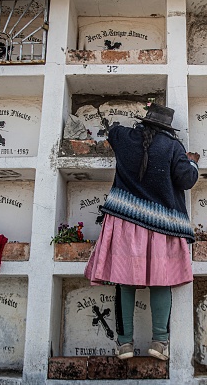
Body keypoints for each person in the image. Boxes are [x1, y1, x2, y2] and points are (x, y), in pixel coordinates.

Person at [84, 103, 199, 361]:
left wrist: (118, 128)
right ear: (167, 128)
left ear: (145, 122)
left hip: (125, 222)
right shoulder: (172, 147)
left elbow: (112, 131)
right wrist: (193, 163)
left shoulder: (125, 138)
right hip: (161, 227)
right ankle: (159, 343)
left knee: (125, 283)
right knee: (161, 281)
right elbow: (187, 180)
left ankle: (124, 345)